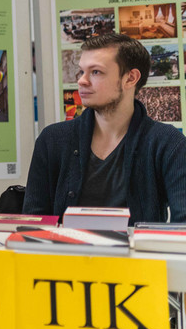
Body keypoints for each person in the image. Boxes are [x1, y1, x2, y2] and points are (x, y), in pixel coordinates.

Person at [23, 33, 186, 223]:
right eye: (81, 71)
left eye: (96, 72)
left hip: (138, 253)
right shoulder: (53, 139)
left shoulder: (168, 143)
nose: (82, 81)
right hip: (66, 252)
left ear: (130, 78)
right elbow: (33, 221)